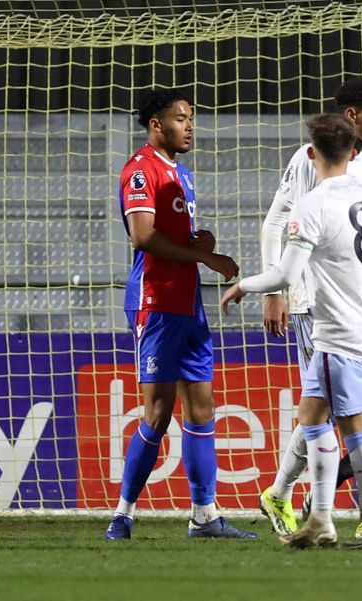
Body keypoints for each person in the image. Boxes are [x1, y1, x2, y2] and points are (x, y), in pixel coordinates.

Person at [224, 112, 362, 550]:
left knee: (358, 432)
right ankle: (321, 519)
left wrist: (244, 285)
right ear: (354, 151)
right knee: (313, 418)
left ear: (311, 154)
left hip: (334, 336)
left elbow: (286, 275)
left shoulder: (312, 206)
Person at [103, 88, 254, 541]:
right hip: (157, 303)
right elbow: (143, 237)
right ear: (157, 124)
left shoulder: (181, 174)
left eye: (191, 118)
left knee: (203, 408)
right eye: (181, 118)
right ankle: (123, 513)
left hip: (189, 304)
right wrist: (205, 258)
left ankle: (204, 514)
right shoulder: (140, 170)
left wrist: (196, 245)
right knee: (157, 412)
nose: (190, 126)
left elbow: (175, 241)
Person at [256, 78, 362, 539]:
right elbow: (278, 220)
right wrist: (274, 290)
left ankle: (356, 513)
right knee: (329, 410)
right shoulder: (308, 160)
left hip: (357, 306)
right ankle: (303, 501)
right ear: (352, 117)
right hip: (314, 301)